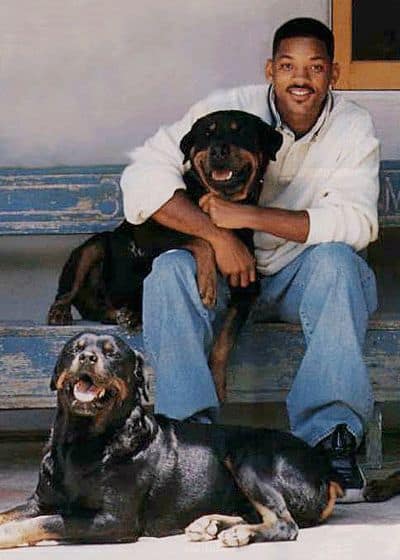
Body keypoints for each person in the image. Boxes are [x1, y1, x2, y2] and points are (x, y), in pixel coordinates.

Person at [120, 18, 380, 503]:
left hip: (296, 275)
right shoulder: (225, 110)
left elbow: (357, 222)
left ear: (333, 75)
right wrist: (217, 237)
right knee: (168, 272)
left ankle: (330, 442)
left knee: (340, 264)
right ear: (270, 70)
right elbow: (141, 180)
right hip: (219, 279)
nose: (299, 78)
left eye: (314, 67)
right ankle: (187, 444)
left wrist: (248, 216)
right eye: (287, 66)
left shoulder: (352, 126)